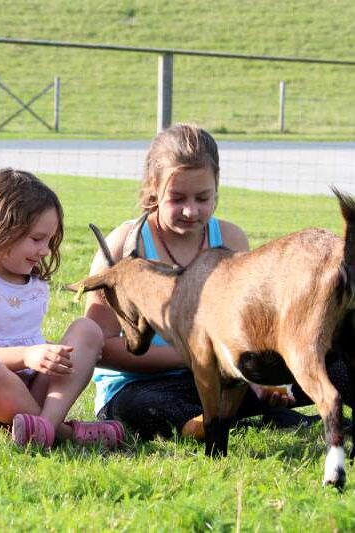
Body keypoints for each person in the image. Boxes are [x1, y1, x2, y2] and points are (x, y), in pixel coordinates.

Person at [85, 123, 346, 440]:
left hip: (229, 378)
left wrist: (263, 378)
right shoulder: (124, 247)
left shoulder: (231, 238)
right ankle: (232, 421)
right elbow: (101, 347)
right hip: (149, 384)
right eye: (177, 198)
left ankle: (245, 415)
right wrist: (203, 355)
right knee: (140, 407)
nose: (190, 210)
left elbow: (250, 328)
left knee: (337, 365)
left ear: (217, 186)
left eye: (202, 197)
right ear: (153, 188)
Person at [0, 168, 125, 449]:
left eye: (49, 240)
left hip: (28, 388)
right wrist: (27, 355)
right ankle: (62, 433)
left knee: (86, 330)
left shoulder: (34, 282)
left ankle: (43, 427)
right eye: (37, 239)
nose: (45, 250)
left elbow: (23, 338)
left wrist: (48, 353)